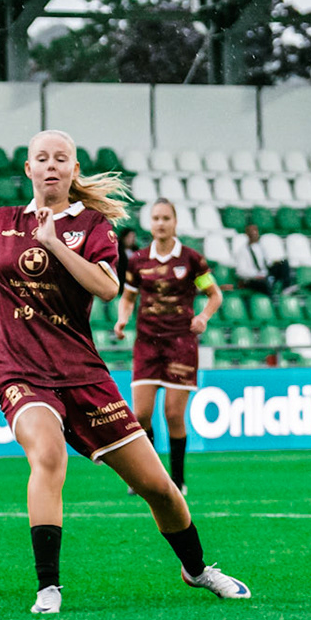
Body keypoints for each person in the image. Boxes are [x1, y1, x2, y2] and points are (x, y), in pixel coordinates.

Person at [0, 129, 250, 614]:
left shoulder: (93, 226)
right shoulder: (1, 223)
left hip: (84, 376)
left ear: (73, 170)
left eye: (60, 158)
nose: (51, 165)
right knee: (47, 455)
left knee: (160, 488)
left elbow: (108, 290)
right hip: (21, 373)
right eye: (41, 158)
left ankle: (197, 570)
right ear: (28, 169)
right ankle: (49, 587)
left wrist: (54, 243)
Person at [113, 199, 222, 493]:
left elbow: (215, 295)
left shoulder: (192, 260)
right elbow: (128, 297)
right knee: (141, 415)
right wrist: (122, 320)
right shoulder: (137, 260)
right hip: (147, 344)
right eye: (156, 218)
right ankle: (148, 476)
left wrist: (204, 316)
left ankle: (178, 479)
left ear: (175, 222)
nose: (160, 223)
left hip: (180, 345)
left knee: (173, 414)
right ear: (150, 223)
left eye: (165, 218)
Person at [229, 222, 294, 295]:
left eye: (255, 231)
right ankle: (271, 299)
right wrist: (256, 276)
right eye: (251, 232)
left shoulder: (260, 247)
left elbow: (265, 263)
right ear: (247, 234)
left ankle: (285, 289)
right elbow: (240, 271)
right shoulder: (242, 251)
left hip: (265, 274)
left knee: (283, 262)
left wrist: (275, 263)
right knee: (263, 283)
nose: (254, 234)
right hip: (253, 278)